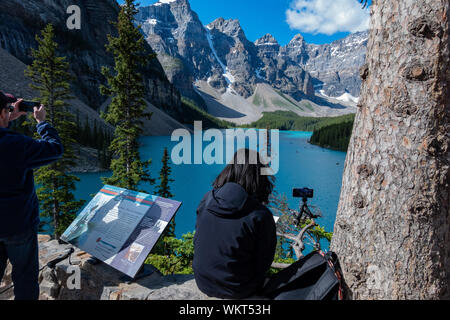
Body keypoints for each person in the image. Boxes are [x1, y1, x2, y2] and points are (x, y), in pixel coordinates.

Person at [0, 91, 63, 300]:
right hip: (17, 226)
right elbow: (54, 149)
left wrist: (8, 118)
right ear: (2, 113)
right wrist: (42, 123)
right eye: (7, 109)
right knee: (25, 278)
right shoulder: (15, 144)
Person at [193, 148, 277, 299]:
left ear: (230, 169)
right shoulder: (260, 215)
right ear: (258, 176)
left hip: (202, 282)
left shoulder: (207, 199)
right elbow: (263, 263)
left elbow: (198, 237)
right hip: (238, 290)